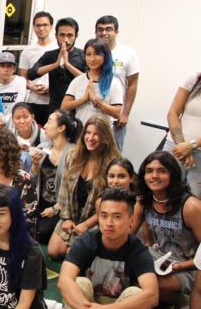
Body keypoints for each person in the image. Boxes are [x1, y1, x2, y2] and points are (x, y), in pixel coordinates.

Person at [48, 115, 121, 259]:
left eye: (96, 134)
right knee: (54, 252)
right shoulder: (73, 155)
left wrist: (87, 225)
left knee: (74, 255)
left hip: (96, 219)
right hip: (73, 216)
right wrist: (66, 218)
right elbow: (64, 191)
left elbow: (109, 206)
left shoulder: (113, 164)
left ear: (105, 137)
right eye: (88, 133)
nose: (91, 138)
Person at [137, 151, 201, 305]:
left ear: (173, 174)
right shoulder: (145, 202)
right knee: (125, 271)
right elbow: (127, 234)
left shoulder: (191, 206)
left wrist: (179, 266)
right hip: (159, 257)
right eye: (149, 171)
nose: (154, 176)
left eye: (162, 171)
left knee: (155, 286)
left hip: (189, 266)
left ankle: (184, 303)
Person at [30, 109, 81, 244]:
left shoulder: (73, 153)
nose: (45, 126)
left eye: (49, 122)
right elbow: (32, 181)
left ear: (61, 128)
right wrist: (35, 164)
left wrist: (56, 208)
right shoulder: (42, 147)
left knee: (42, 232)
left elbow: (74, 189)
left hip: (62, 209)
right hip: (40, 205)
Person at [95, 15, 140, 151]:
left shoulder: (128, 53)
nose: (104, 33)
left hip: (115, 116)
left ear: (116, 32)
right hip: (93, 113)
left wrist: (125, 113)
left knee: (112, 153)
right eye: (100, 29)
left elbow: (132, 85)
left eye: (108, 29)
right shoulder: (92, 52)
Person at [28, 17, 86, 111]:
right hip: (55, 108)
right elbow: (31, 74)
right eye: (62, 35)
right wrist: (55, 64)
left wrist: (68, 65)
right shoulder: (50, 55)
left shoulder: (83, 56)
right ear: (56, 36)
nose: (65, 39)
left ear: (76, 36)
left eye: (70, 35)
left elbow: (88, 80)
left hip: (77, 108)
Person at [62, 38, 124, 125]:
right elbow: (64, 106)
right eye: (88, 54)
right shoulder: (78, 80)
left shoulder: (114, 83)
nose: (92, 59)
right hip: (80, 132)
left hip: (102, 134)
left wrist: (96, 102)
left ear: (105, 56)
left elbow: (117, 113)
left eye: (97, 54)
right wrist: (84, 99)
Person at [164, 72, 201, 197]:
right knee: (164, 192)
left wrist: (191, 145)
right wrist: (181, 145)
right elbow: (173, 113)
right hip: (175, 147)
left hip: (198, 154)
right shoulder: (194, 80)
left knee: (194, 199)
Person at [19, 11, 57, 124]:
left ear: (51, 27)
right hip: (34, 101)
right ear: (33, 27)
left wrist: (52, 88)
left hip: (54, 101)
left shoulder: (58, 48)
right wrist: (32, 87)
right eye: (38, 25)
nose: (41, 28)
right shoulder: (27, 52)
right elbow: (23, 79)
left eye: (45, 25)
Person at [8, 102, 47, 172]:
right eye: (18, 118)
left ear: (32, 117)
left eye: (26, 117)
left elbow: (50, 152)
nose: (22, 121)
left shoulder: (43, 135)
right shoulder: (8, 136)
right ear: (13, 120)